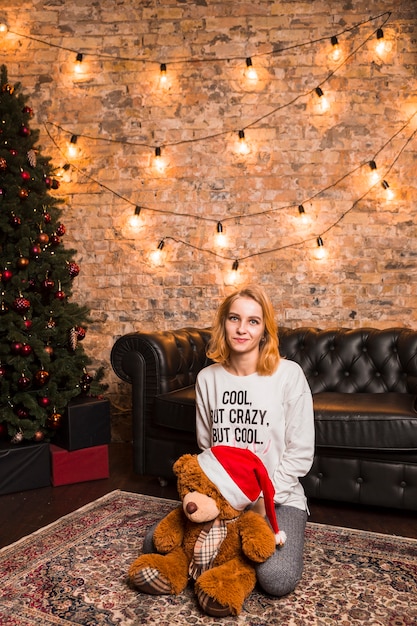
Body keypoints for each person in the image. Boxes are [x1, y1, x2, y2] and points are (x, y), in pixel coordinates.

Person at [195, 284, 315, 597]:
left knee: (277, 579)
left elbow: (301, 453)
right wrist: (224, 505)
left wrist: (262, 503)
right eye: (234, 319)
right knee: (155, 541)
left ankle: (233, 560)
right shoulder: (207, 379)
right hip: (225, 499)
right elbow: (208, 447)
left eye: (253, 321)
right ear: (223, 323)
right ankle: (232, 550)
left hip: (279, 499)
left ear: (264, 330)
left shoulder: (289, 375)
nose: (242, 329)